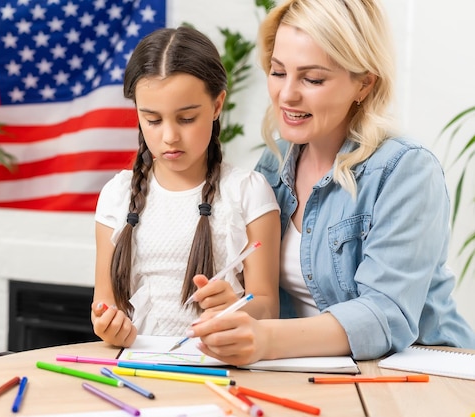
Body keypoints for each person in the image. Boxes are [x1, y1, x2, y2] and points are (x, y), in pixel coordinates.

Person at [190, 0, 475, 365]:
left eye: (312, 79)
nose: (287, 94)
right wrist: (239, 308)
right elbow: (270, 298)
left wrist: (266, 339)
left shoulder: (405, 170)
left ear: (364, 84)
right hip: (315, 373)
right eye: (278, 72)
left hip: (421, 375)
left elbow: (385, 315)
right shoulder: (274, 164)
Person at [91, 26, 281, 348]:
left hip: (219, 366)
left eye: (187, 119)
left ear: (217, 105)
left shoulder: (248, 192)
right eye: (152, 120)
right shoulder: (116, 196)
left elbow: (268, 307)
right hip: (138, 369)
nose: (169, 137)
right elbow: (104, 305)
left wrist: (236, 307)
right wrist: (109, 326)